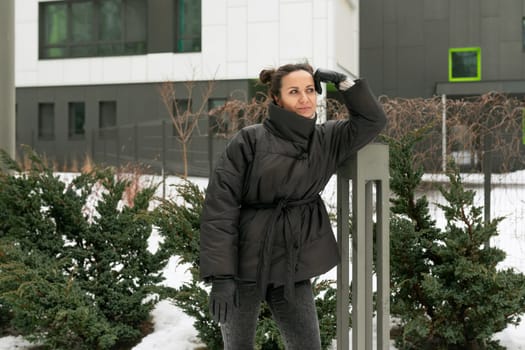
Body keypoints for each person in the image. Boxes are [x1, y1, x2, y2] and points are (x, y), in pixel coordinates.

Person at [199, 62, 387, 349]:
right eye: (294, 91)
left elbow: (373, 121)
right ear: (277, 98)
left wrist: (345, 84)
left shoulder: (327, 139)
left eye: (310, 90)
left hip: (293, 261)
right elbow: (219, 208)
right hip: (243, 263)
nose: (304, 99)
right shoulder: (249, 139)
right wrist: (222, 277)